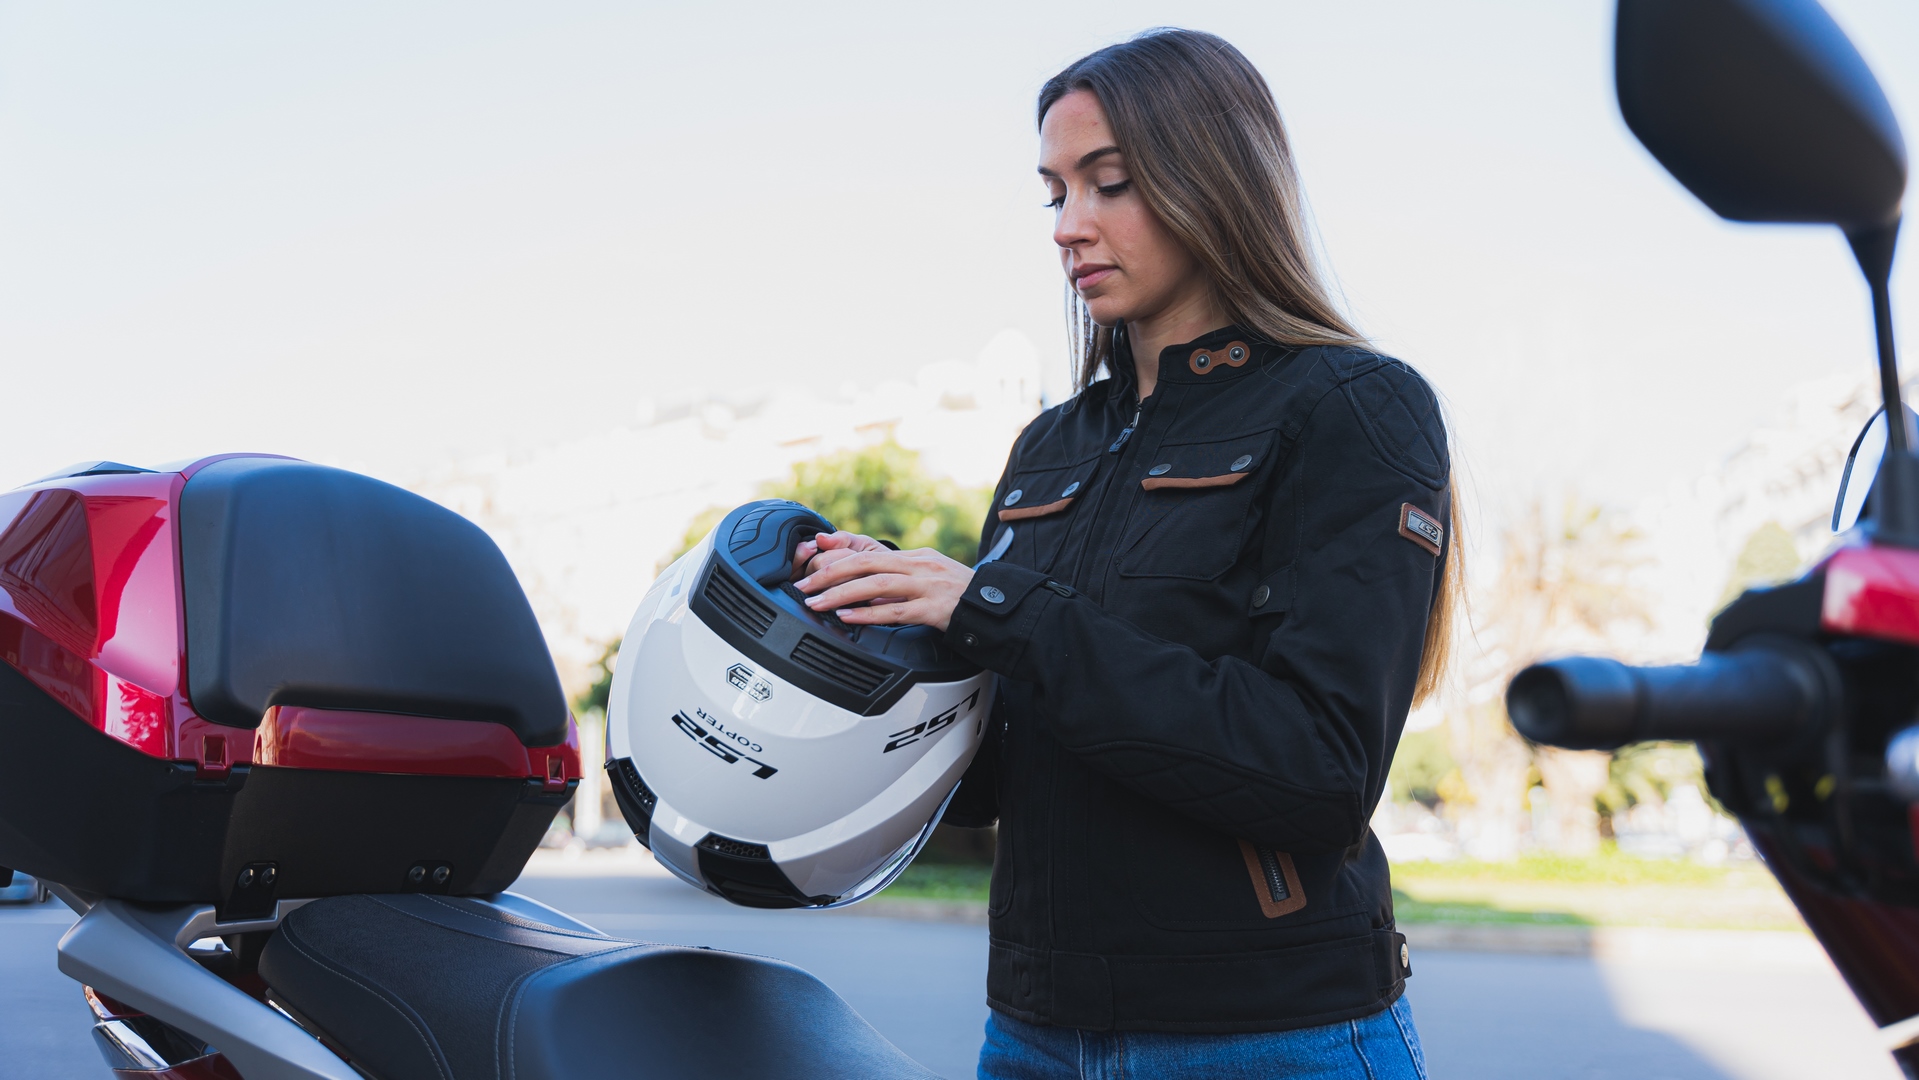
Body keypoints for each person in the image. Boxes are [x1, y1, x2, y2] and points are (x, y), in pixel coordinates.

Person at [794, 28, 1456, 1080]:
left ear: (1214, 181)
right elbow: (995, 772)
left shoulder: (1352, 405)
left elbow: (1319, 772)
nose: (1070, 226)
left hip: (1267, 1038)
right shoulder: (1047, 447)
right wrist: (856, 660)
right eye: (1054, 193)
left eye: (1110, 184)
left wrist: (995, 609)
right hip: (1032, 1033)